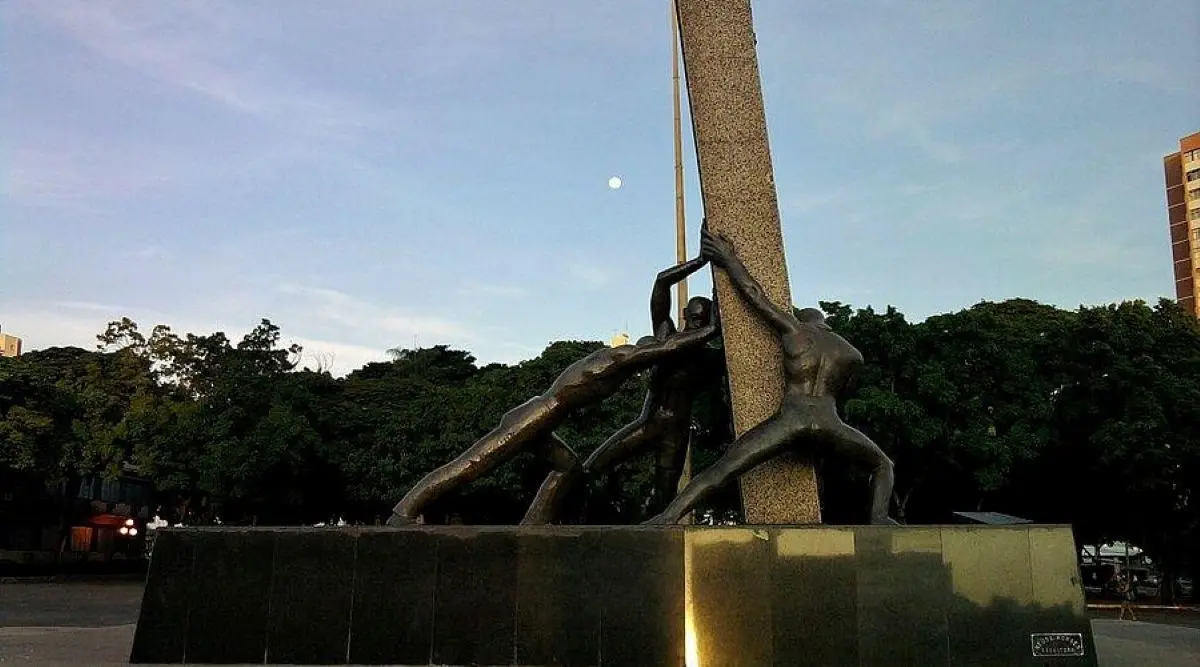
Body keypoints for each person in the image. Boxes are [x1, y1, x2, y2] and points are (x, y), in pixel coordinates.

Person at [388, 257, 721, 526]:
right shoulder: (625, 356)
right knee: (474, 463)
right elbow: (666, 339)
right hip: (537, 415)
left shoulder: (661, 353)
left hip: (560, 417)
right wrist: (713, 326)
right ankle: (406, 509)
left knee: (569, 470)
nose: (672, 336)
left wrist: (709, 272)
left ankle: (533, 528)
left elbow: (671, 325)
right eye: (687, 322)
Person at [645, 225, 896, 525]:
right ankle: (880, 517)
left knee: (723, 469)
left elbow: (754, 294)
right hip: (830, 423)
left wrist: (727, 259)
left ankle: (666, 517)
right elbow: (843, 392)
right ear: (827, 324)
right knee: (883, 463)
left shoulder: (796, 331)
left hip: (792, 420)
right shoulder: (853, 354)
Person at [580, 255, 720, 515]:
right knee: (590, 468)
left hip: (676, 434)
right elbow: (661, 281)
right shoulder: (666, 336)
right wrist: (701, 260)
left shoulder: (710, 358)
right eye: (692, 320)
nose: (694, 327)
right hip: (648, 424)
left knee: (664, 501)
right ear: (684, 316)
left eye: (701, 322)